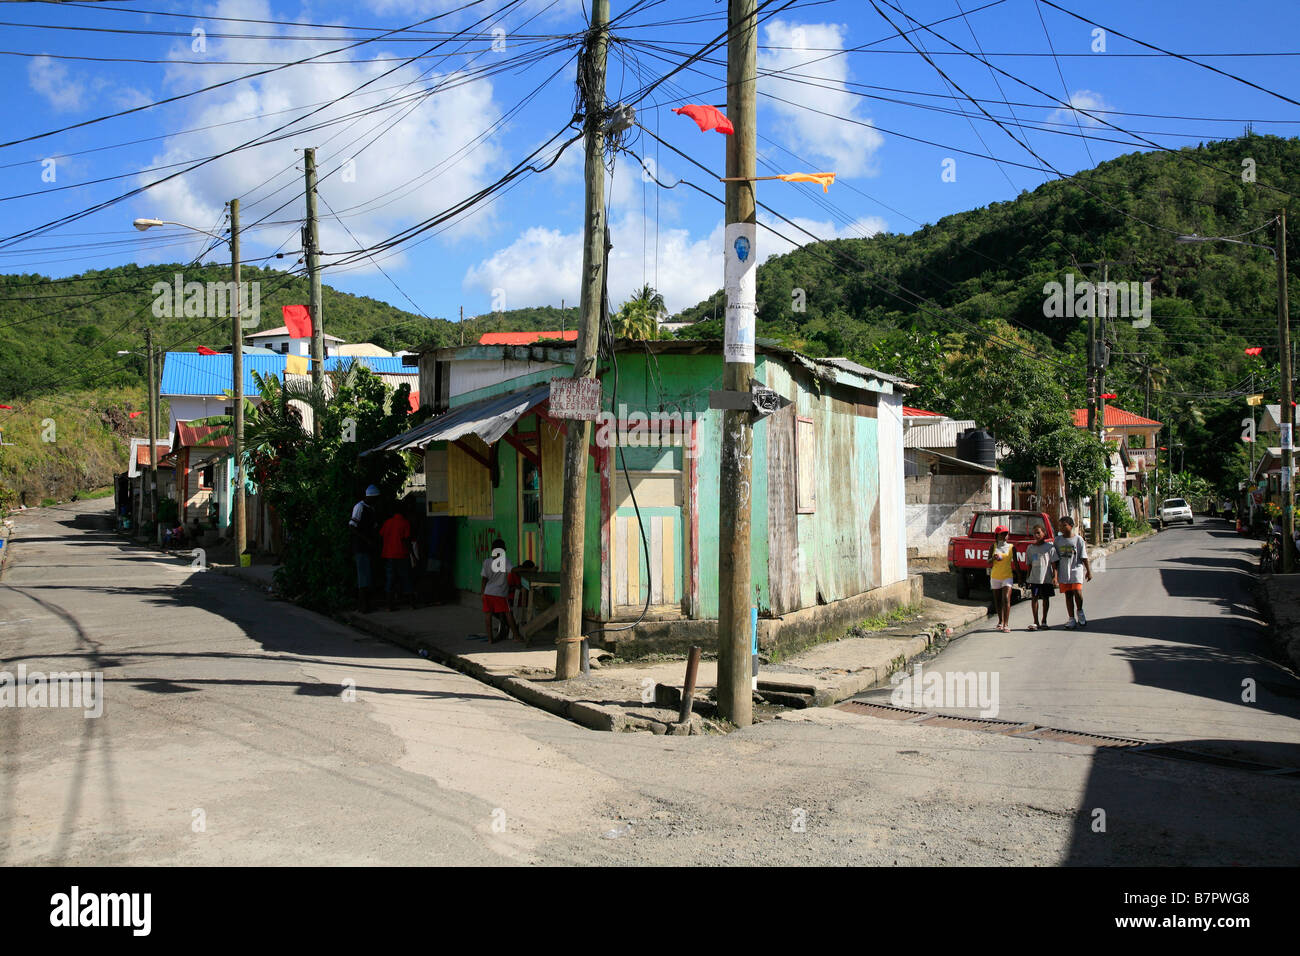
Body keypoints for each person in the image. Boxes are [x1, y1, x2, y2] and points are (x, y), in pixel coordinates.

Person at [481, 538, 523, 643]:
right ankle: (516, 636)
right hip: (499, 593)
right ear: (503, 550)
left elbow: (484, 578)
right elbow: (513, 570)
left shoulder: (486, 562)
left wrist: (482, 592)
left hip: (487, 592)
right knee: (508, 614)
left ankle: (490, 639)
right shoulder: (505, 561)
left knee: (488, 615)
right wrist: (528, 569)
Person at [1054, 515, 1092, 628]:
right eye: (1060, 526)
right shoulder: (1057, 540)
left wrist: (1088, 571)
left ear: (1071, 526)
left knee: (1077, 591)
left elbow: (1084, 556)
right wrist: (1055, 575)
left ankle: (1080, 611)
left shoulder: (1078, 539)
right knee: (1068, 595)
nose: (1061, 528)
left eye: (1064, 525)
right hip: (1064, 571)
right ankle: (1071, 618)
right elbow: (1055, 559)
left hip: (1076, 569)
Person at [348, 485, 381, 612]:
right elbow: (352, 526)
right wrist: (366, 539)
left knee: (368, 575)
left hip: (368, 547)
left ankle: (367, 604)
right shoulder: (359, 507)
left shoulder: (371, 508)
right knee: (363, 576)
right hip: (361, 547)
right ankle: (363, 605)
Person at [378, 504, 414, 611]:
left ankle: (389, 605)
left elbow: (381, 536)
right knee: (406, 578)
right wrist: (412, 554)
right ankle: (412, 603)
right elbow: (407, 540)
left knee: (390, 580)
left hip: (389, 555)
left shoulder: (387, 522)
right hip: (401, 554)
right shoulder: (405, 522)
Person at [1023, 523, 1058, 631]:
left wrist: (1055, 577)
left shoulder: (1050, 547)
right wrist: (1028, 577)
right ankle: (1035, 621)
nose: (1036, 535)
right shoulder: (1030, 548)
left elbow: (1054, 564)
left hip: (1046, 578)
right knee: (1034, 598)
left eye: (1038, 533)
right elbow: (1029, 564)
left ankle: (1044, 620)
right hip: (1035, 579)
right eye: (1034, 533)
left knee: (1045, 599)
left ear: (1044, 533)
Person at [986, 525, 1017, 632]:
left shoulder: (1012, 547)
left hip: (1007, 576)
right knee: (998, 600)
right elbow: (988, 562)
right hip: (995, 576)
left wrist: (1021, 577)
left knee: (1006, 599)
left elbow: (1016, 563)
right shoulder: (993, 547)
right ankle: (1000, 621)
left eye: (1006, 534)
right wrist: (992, 558)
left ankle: (1006, 624)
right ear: (997, 535)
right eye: (1002, 534)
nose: (1004, 536)